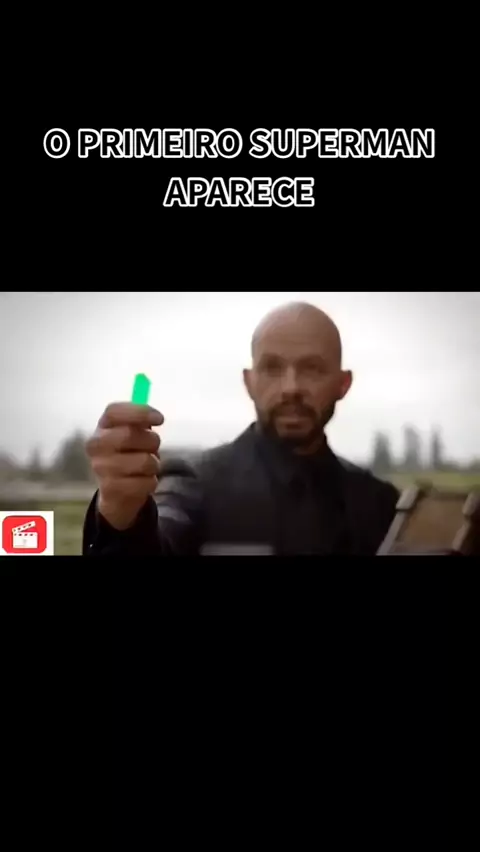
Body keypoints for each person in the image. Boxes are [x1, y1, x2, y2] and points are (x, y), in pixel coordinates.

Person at [82, 301, 399, 556]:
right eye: (272, 368)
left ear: (343, 384)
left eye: (312, 368)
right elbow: (161, 536)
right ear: (249, 382)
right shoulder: (193, 483)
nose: (291, 387)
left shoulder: (381, 504)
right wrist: (122, 515)